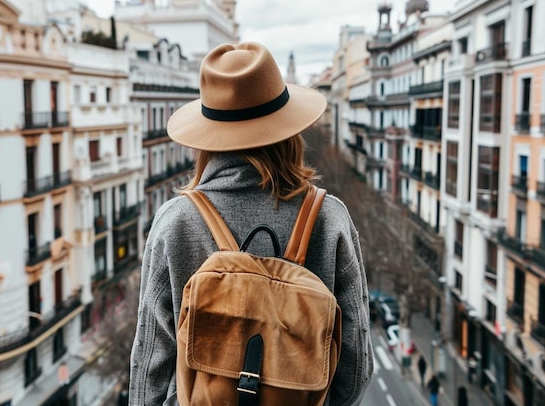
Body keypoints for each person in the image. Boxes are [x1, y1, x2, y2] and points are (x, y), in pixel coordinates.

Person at [128, 41, 374, 405]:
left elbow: (149, 370)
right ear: (288, 129)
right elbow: (355, 367)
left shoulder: (174, 223)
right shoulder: (329, 218)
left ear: (207, 137)